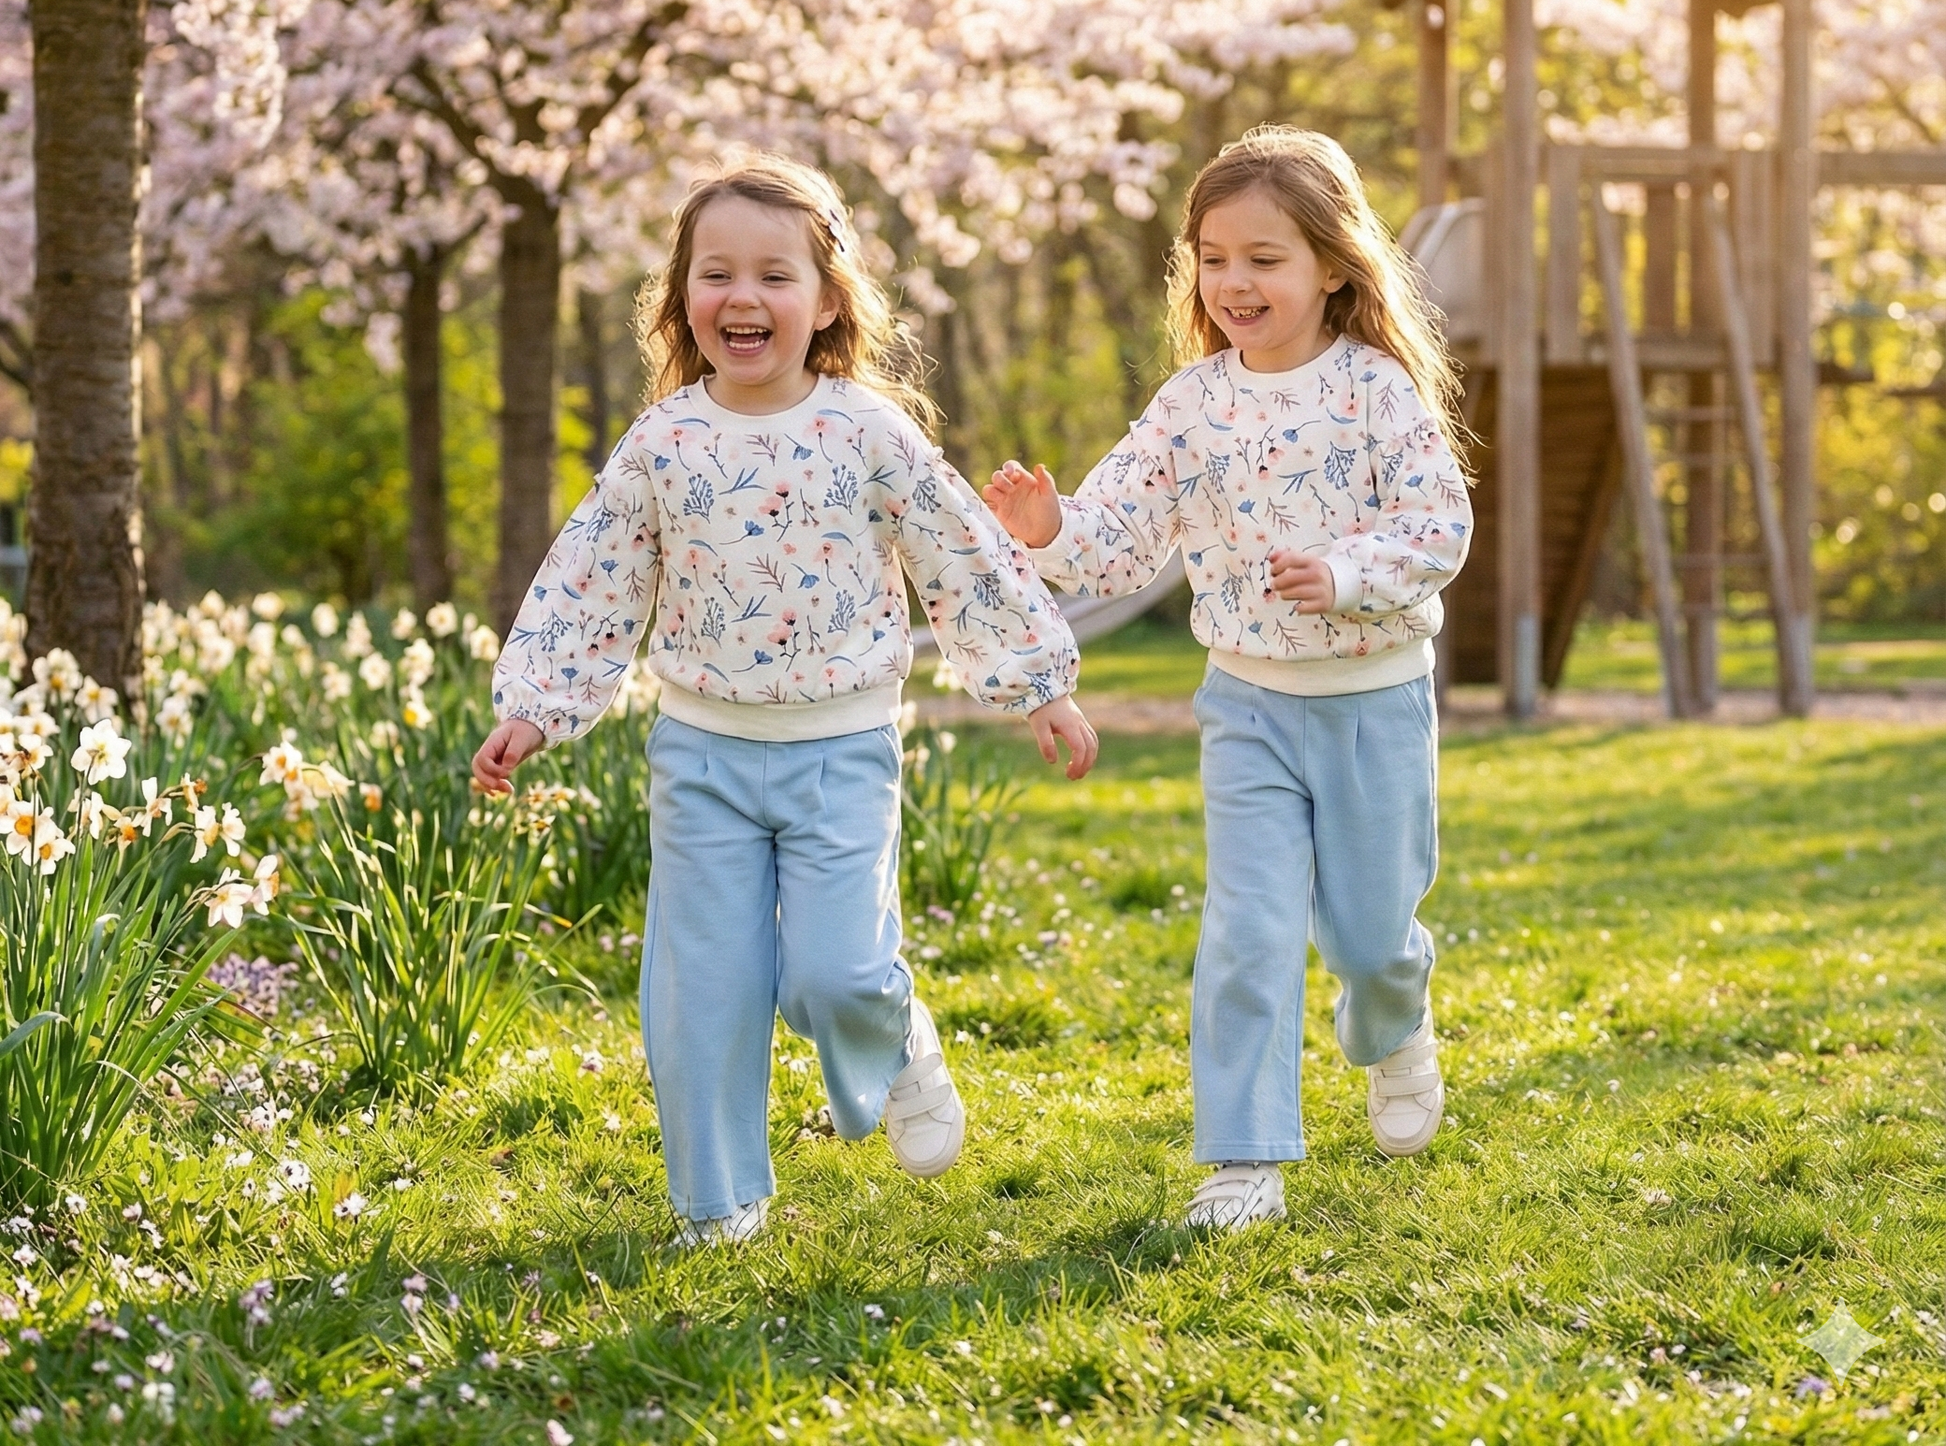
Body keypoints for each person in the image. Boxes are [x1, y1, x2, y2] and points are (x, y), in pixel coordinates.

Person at [473, 154, 1097, 1246]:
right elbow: (594, 574)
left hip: (839, 749)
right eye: (716, 274)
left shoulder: (865, 431)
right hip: (702, 753)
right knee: (698, 992)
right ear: (681, 301)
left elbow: (960, 553)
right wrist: (538, 701)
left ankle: (892, 1030)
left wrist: (1038, 683)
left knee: (834, 971)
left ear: (823, 303)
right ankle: (720, 1201)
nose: (743, 297)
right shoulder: (663, 441)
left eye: (774, 275)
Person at [983, 125, 1471, 1230]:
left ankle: (1392, 1020)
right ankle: (1243, 1155)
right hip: (1245, 702)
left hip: (1372, 701)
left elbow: (1439, 523)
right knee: (1245, 927)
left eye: (1264, 257)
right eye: (1212, 256)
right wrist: (1050, 523)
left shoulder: (1374, 389)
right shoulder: (1190, 403)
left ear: (1331, 265)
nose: (1232, 281)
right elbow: (1118, 535)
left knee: (1368, 936)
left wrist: (1347, 569)